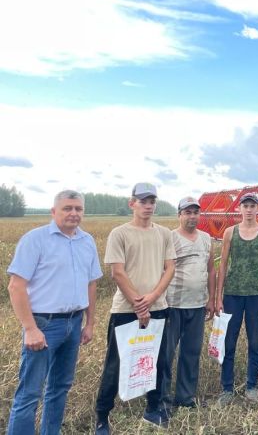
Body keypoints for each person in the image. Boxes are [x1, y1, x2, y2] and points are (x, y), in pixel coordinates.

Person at [7, 190, 102, 435]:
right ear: (53, 212)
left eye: (78, 209)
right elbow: (16, 286)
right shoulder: (35, 239)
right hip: (44, 324)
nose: (73, 213)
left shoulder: (87, 241)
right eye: (67, 208)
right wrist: (30, 329)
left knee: (60, 387)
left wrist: (90, 323)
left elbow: (91, 283)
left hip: (74, 322)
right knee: (30, 392)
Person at [94, 183, 176, 434]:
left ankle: (153, 409)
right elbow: (117, 272)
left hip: (158, 307)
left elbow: (170, 268)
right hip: (125, 310)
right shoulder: (119, 233)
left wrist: (151, 298)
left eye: (152, 201)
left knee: (156, 361)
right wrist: (140, 304)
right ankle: (102, 415)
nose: (148, 205)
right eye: (143, 201)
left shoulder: (163, 234)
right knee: (115, 364)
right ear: (132, 204)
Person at [214, 192, 258, 406]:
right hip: (232, 294)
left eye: (252, 206)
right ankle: (227, 388)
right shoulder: (230, 233)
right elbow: (223, 265)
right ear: (240, 209)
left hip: (256, 295)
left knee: (255, 342)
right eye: (245, 206)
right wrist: (219, 297)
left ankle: (251, 387)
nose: (249, 209)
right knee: (229, 341)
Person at [161, 197, 215, 409]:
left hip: (198, 304)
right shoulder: (169, 238)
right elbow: (162, 270)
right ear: (179, 215)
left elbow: (211, 269)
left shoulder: (206, 238)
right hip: (173, 304)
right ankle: (163, 399)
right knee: (167, 353)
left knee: (191, 353)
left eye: (195, 212)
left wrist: (211, 298)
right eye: (188, 212)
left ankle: (185, 398)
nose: (192, 216)